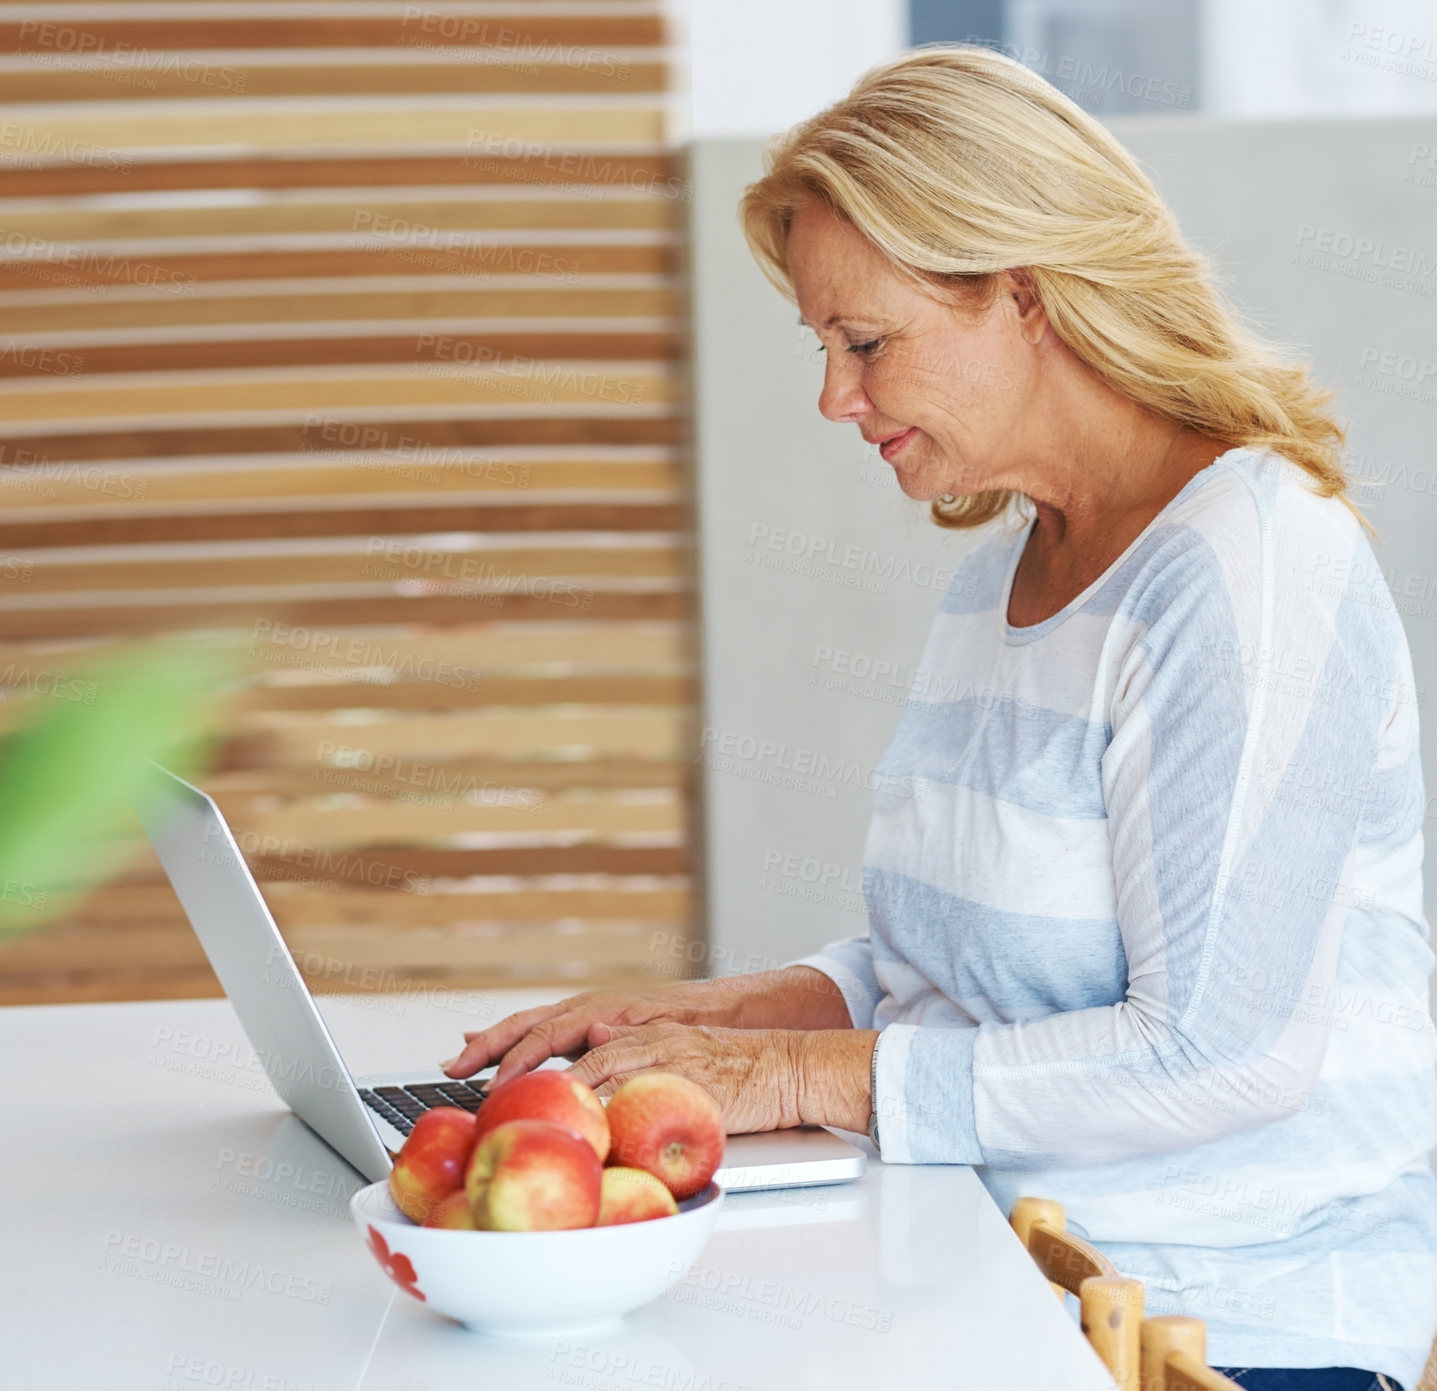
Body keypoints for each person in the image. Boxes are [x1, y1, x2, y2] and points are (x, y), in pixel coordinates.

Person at [442, 46, 1436, 1391]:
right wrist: (704, 1026)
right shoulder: (998, 584)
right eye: (824, 348)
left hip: (1216, 1328)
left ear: (1022, 294)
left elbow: (1221, 1053)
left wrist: (799, 1079)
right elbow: (956, 969)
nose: (833, 398)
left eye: (865, 343)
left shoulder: (1247, 570)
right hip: (986, 1271)